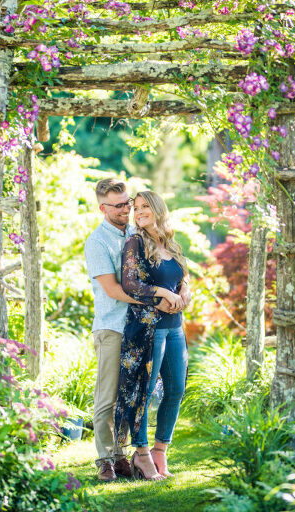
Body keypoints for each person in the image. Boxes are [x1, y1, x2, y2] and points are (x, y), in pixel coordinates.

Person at [84, 179, 177, 482]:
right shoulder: (97, 242)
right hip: (113, 326)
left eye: (128, 203)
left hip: (141, 326)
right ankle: (105, 460)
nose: (126, 210)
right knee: (108, 396)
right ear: (103, 208)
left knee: (132, 393)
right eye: (119, 206)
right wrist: (156, 299)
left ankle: (122, 456)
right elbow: (113, 289)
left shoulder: (138, 234)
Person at [114, 190, 190, 481]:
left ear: (158, 209)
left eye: (145, 206)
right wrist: (162, 293)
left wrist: (185, 290)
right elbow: (130, 283)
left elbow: (182, 277)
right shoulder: (135, 242)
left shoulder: (170, 243)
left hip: (175, 327)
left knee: (176, 389)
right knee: (143, 392)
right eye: (136, 208)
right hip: (149, 328)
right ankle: (142, 453)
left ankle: (160, 451)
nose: (139, 212)